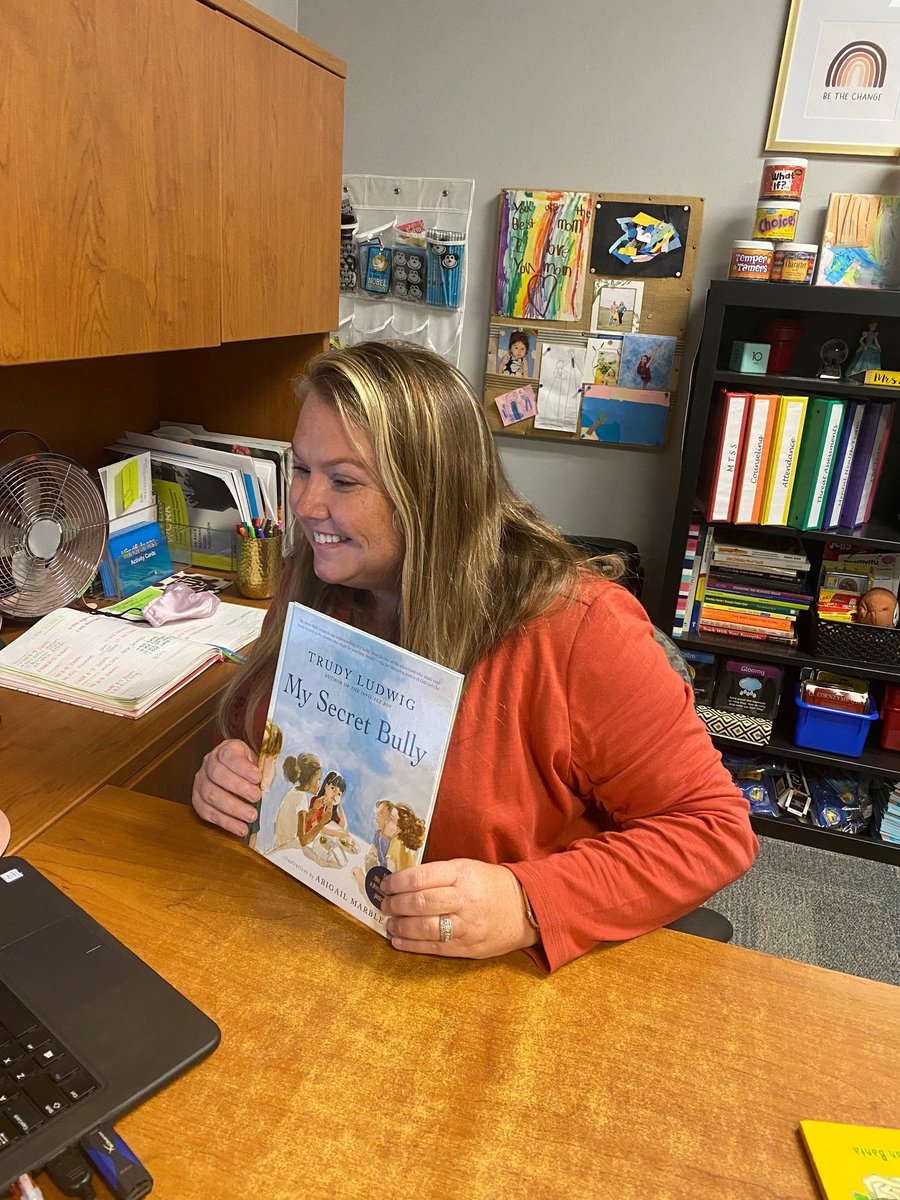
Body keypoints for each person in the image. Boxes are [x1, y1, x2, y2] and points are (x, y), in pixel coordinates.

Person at [191, 341, 757, 971]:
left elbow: (713, 830)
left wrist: (526, 901)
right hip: (315, 941)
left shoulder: (578, 629)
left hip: (486, 984)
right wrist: (230, 776)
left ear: (429, 494)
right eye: (301, 469)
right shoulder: (317, 578)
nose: (303, 505)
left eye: (344, 481)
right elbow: (268, 735)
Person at [272, 752, 321, 851]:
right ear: (309, 780)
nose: (319, 784)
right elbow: (303, 840)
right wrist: (322, 823)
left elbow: (298, 822)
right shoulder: (301, 799)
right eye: (317, 780)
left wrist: (313, 809)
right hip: (286, 849)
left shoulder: (294, 792)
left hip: (280, 844)